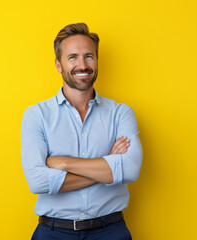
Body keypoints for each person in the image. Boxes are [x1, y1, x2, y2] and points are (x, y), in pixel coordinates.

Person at [21, 23, 142, 240]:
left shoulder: (121, 113)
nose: (82, 64)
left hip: (110, 231)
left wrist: (63, 162)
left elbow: (130, 169)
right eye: (72, 57)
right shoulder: (36, 115)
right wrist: (110, 164)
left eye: (89, 56)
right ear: (58, 65)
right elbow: (37, 181)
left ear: (96, 61)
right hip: (53, 233)